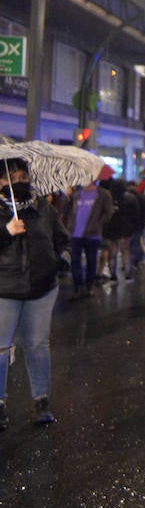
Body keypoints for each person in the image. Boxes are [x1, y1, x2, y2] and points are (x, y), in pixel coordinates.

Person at [0, 160, 70, 430]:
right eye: (10, 178)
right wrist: (6, 231)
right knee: (2, 349)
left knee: (38, 345)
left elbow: (63, 240)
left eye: (23, 176)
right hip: (5, 289)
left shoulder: (43, 206)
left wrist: (61, 261)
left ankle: (41, 401)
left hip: (42, 288)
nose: (18, 181)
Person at [61, 177, 114, 299]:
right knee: (75, 261)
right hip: (75, 233)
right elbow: (65, 210)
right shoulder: (76, 193)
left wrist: (98, 224)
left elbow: (108, 212)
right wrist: (67, 196)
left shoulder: (103, 194)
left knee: (91, 261)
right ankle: (77, 287)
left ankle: (89, 286)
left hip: (93, 234)